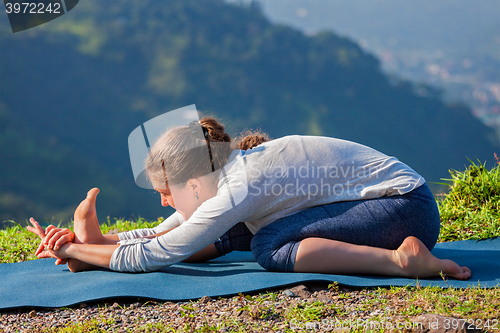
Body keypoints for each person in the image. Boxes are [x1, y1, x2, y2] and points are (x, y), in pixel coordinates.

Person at [28, 117, 471, 280]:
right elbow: (170, 232)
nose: (164, 203)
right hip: (389, 202)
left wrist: (71, 248)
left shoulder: (240, 186)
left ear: (193, 182)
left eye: (166, 193)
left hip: (403, 207)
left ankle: (401, 262)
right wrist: (99, 243)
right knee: (240, 230)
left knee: (267, 246)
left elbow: (161, 254)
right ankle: (95, 253)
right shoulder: (229, 175)